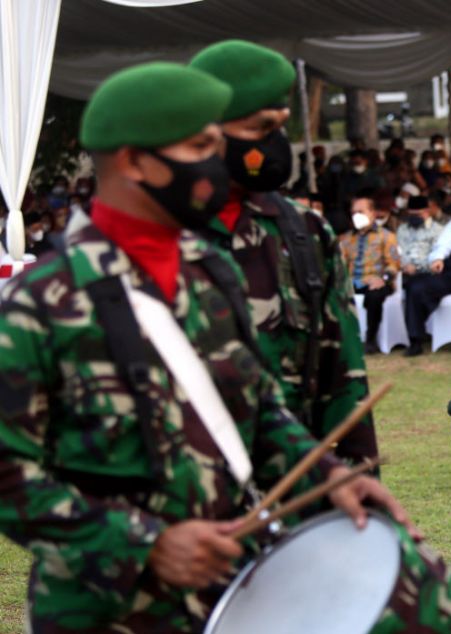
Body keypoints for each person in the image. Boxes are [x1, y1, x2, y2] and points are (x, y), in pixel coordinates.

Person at [0, 60, 420, 632]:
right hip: (109, 610)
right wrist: (144, 545)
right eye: (200, 145)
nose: (217, 163)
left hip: (239, 589)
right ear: (133, 160)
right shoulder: (38, 303)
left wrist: (324, 472)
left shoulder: (210, 270)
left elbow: (257, 408)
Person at [190, 40, 378, 462]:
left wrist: (357, 492)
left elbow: (345, 378)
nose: (273, 145)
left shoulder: (305, 232)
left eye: (280, 128)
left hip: (292, 487)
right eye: (259, 129)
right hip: (189, 498)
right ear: (207, 131)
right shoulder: (164, 233)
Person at [341, 192, 400, 353]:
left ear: (373, 214)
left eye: (361, 211)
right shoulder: (345, 239)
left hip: (377, 282)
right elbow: (340, 264)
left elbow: (394, 264)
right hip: (351, 282)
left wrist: (384, 278)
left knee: (374, 296)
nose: (357, 216)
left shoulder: (387, 237)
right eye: (354, 212)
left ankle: (371, 339)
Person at [397, 195, 445, 356]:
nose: (414, 218)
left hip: (427, 273)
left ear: (427, 212)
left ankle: (415, 340)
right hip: (402, 273)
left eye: (418, 215)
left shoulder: (438, 230)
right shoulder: (402, 229)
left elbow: (438, 255)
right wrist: (404, 265)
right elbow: (398, 251)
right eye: (411, 214)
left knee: (415, 289)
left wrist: (416, 267)